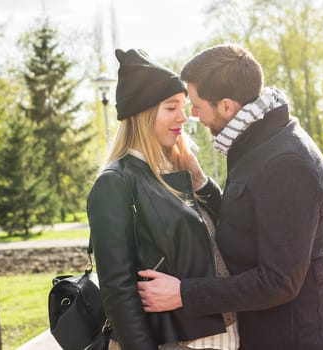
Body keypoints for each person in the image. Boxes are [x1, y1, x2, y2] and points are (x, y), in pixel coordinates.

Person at [138, 44, 323, 350]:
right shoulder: (257, 143)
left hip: (299, 340)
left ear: (227, 106)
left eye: (197, 105)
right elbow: (251, 221)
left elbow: (279, 281)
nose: (193, 116)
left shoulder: (287, 162)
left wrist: (184, 293)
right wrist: (201, 184)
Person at [87, 48, 239, 350]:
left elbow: (228, 227)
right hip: (175, 342)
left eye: (183, 106)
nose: (183, 117)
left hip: (222, 336)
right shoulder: (116, 182)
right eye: (171, 108)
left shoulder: (175, 169)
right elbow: (118, 292)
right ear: (143, 114)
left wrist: (201, 182)